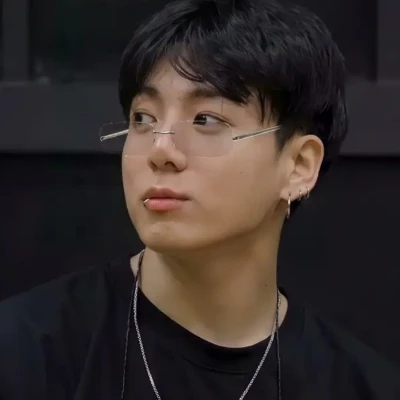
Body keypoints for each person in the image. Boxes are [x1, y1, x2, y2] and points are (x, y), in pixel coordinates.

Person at [1, 0, 399, 398]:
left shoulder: (360, 386)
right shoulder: (25, 351)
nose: (160, 150)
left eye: (205, 120)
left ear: (298, 165)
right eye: (143, 118)